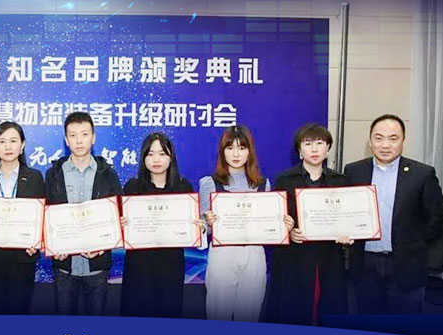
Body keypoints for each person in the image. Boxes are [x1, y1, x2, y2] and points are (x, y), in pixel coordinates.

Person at [344, 114, 443, 314]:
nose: (385, 145)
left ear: (402, 141)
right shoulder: (354, 171)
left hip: (406, 265)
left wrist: (413, 243)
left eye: (393, 138)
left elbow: (437, 219)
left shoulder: (422, 174)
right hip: (365, 265)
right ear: (370, 140)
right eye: (379, 138)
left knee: (405, 327)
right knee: (368, 324)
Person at [199, 125, 290, 322]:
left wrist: (282, 226)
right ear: (222, 151)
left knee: (250, 315)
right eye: (230, 148)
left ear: (250, 151)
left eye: (242, 148)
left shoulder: (263, 184)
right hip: (222, 253)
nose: (236, 154)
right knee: (218, 315)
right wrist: (207, 222)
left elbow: (267, 223)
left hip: (254, 252)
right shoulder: (209, 183)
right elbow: (202, 227)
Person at [268, 124, 350, 325]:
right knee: (294, 311)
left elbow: (348, 218)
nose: (314, 149)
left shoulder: (341, 181)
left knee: (331, 307)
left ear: (328, 148)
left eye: (320, 143)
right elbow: (274, 221)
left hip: (330, 256)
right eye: (308, 143)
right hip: (295, 257)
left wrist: (347, 234)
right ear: (299, 150)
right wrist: (289, 232)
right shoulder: (284, 180)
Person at [45, 112, 122, 316]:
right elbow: (46, 216)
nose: (79, 141)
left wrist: (103, 245)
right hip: (64, 266)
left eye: (84, 134)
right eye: (73, 135)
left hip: (97, 266)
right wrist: (53, 245)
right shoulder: (53, 174)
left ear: (93, 138)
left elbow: (117, 218)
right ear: (66, 140)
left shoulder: (108, 174)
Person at [120, 132, 202, 318]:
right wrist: (122, 224)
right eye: (150, 154)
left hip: (170, 265)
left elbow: (192, 228)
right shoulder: (133, 187)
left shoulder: (183, 188)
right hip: (139, 266)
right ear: (143, 158)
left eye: (162, 153)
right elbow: (123, 229)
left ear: (171, 157)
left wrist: (197, 227)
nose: (156, 159)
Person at [0, 122, 46, 315]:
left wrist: (36, 240)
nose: (8, 146)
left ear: (22, 145)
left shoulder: (35, 178)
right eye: (2, 141)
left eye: (13, 141)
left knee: (18, 314)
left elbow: (41, 217)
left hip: (22, 258)